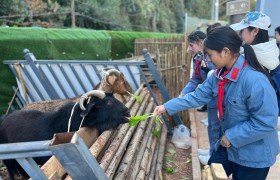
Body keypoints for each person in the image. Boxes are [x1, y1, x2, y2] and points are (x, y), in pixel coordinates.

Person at [153, 26, 279, 179]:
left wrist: (232, 137)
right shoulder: (218, 75)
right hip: (227, 146)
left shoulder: (255, 81)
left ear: (225, 52)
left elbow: (266, 123)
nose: (208, 59)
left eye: (210, 54)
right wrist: (167, 107)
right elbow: (197, 96)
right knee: (210, 173)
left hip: (253, 155)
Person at [230, 11, 280, 116]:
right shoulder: (272, 54)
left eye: (242, 30)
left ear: (255, 31)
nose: (240, 34)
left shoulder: (250, 57)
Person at [179, 30, 217, 164]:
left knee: (216, 127)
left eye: (191, 45)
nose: (189, 49)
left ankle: (214, 156)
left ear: (200, 43)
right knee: (212, 126)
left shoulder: (213, 57)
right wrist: (183, 93)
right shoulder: (197, 58)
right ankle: (212, 150)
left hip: (217, 97)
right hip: (209, 98)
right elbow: (195, 79)